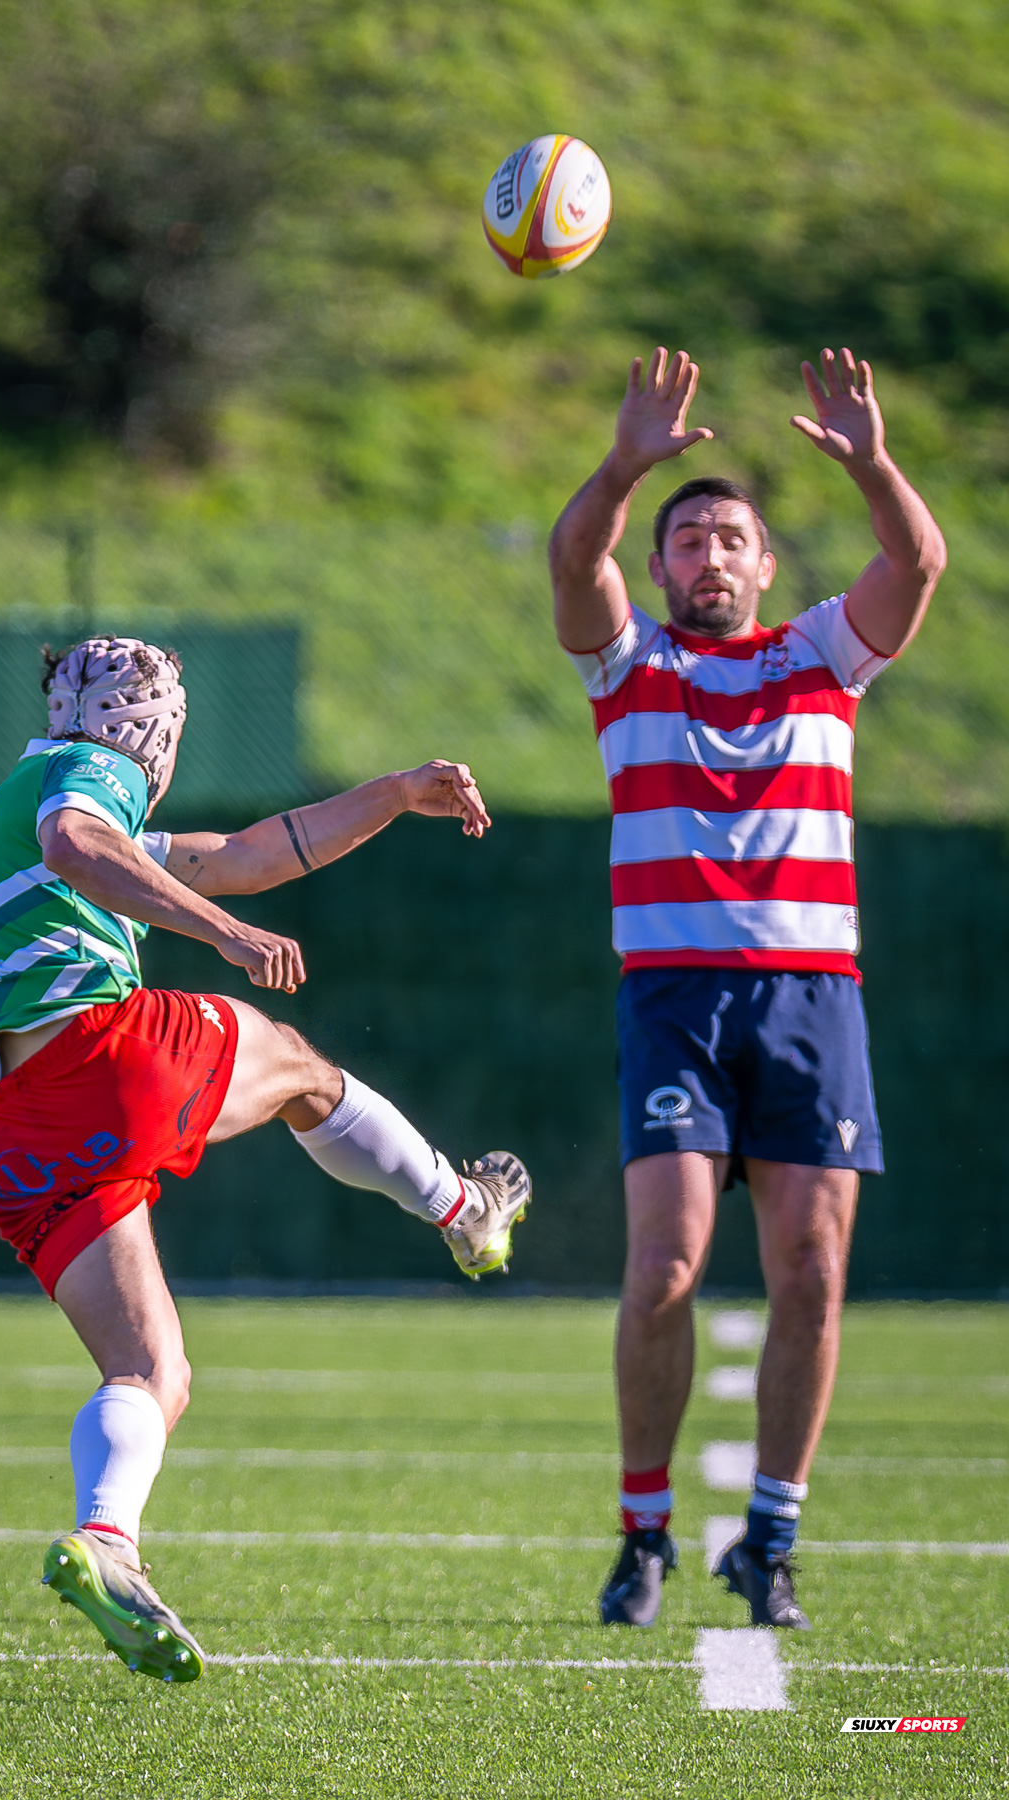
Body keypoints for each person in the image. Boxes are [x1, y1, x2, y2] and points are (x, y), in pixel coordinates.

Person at [0, 637, 531, 1682]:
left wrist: (391, 794)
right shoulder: (79, 773)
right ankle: (462, 1208)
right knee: (297, 1064)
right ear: (151, 725)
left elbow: (244, 854)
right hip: (90, 1063)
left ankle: (106, 1541)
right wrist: (223, 935)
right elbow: (80, 842)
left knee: (152, 1371)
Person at [548, 347, 946, 1629]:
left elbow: (918, 568)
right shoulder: (628, 668)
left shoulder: (824, 657)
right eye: (686, 541)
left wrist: (872, 462)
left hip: (807, 1001)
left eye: (730, 538)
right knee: (664, 1268)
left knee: (809, 1273)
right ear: (661, 570)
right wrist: (625, 466)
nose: (708, 557)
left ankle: (768, 1534)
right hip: (671, 1000)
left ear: (766, 566)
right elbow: (571, 565)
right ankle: (644, 1528)